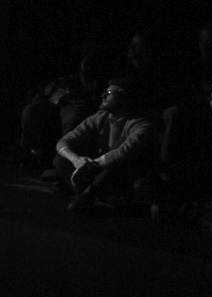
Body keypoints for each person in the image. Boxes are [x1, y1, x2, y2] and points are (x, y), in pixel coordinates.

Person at [53, 78, 158, 215]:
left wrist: (89, 164)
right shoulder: (101, 116)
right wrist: (76, 159)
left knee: (115, 161)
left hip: (122, 173)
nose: (103, 96)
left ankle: (89, 196)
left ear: (124, 98)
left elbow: (123, 153)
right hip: (101, 171)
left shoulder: (140, 124)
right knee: (60, 160)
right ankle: (89, 195)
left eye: (109, 93)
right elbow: (63, 142)